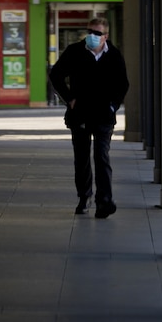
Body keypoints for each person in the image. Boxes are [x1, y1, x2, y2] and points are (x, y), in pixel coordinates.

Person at [50, 18, 129, 219]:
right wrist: (69, 99)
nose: (92, 36)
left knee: (101, 156)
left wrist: (113, 105)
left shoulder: (114, 55)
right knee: (82, 158)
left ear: (106, 36)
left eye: (97, 33)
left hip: (103, 115)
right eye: (90, 32)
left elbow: (123, 84)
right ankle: (84, 197)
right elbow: (56, 75)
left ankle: (105, 201)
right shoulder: (74, 51)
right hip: (80, 115)